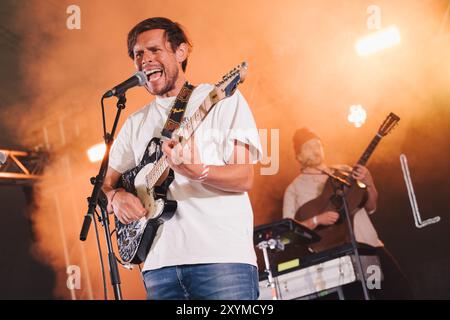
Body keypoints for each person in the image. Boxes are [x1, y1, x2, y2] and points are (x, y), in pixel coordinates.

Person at [102, 17, 262, 300]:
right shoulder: (133, 123)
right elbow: (103, 187)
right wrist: (115, 198)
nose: (145, 60)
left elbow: (244, 177)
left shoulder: (220, 99)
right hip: (157, 269)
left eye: (154, 50)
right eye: (138, 55)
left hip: (220, 260)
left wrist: (197, 171)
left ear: (181, 52)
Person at [282, 127, 413, 299]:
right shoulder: (294, 189)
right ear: (298, 156)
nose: (315, 149)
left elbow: (371, 206)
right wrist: (316, 219)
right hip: (337, 258)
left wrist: (369, 182)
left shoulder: (343, 171)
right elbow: (286, 235)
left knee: (398, 293)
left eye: (318, 145)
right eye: (309, 146)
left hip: (369, 244)